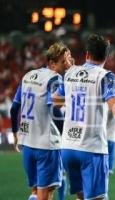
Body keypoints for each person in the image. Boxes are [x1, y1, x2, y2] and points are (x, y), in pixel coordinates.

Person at [53, 33, 115, 200]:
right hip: (91, 148)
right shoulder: (105, 76)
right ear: (106, 56)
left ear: (87, 54)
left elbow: (54, 102)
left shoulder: (70, 73)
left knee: (81, 197)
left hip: (68, 148)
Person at [10, 42, 69, 200]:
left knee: (35, 192)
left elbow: (14, 109)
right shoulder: (55, 79)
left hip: (28, 144)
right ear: (51, 63)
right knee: (46, 194)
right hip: (47, 145)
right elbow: (55, 109)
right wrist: (66, 136)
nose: (67, 64)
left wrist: (16, 134)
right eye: (63, 61)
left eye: (68, 59)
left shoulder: (28, 76)